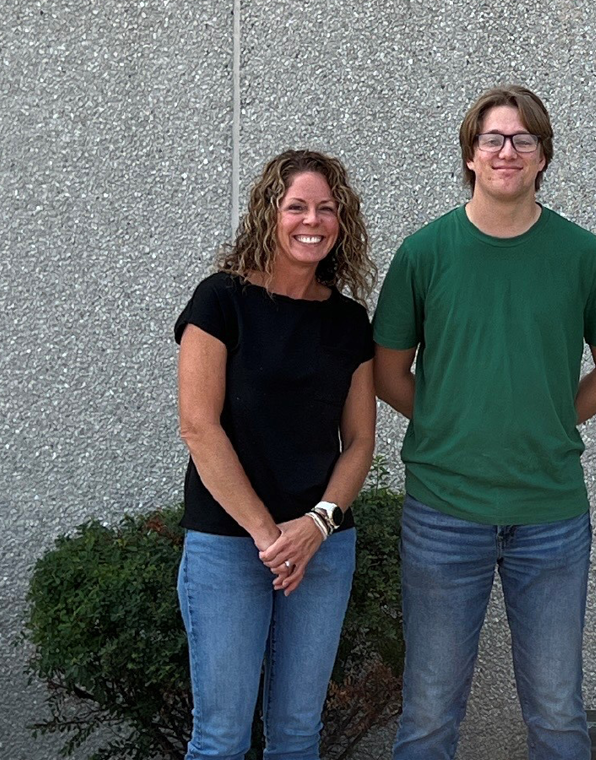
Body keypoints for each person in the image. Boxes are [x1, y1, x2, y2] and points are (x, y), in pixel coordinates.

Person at [372, 85, 596, 760]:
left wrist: (547, 417)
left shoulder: (580, 253)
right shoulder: (425, 252)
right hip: (443, 510)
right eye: (492, 138)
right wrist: (451, 422)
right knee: (430, 714)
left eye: (523, 140)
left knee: (556, 712)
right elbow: (386, 371)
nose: (507, 151)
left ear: (544, 156)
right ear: (468, 155)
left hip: (549, 516)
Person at [174, 149, 377, 760]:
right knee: (220, 738)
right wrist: (270, 536)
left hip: (321, 547)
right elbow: (199, 427)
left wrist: (316, 526)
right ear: (270, 212)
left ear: (341, 222)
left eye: (326, 207)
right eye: (297, 206)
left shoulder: (348, 321)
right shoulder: (221, 301)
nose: (311, 219)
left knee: (296, 736)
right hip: (230, 544)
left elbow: (361, 442)